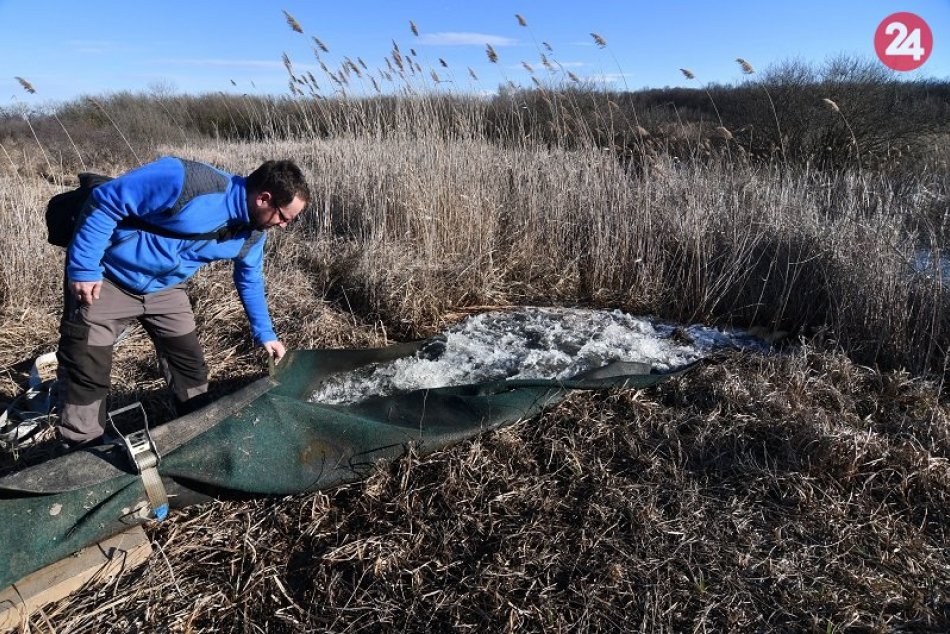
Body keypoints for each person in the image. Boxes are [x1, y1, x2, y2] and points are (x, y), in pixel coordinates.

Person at [56, 156, 311, 448]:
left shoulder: (253, 233)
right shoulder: (185, 180)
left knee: (189, 364)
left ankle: (195, 432)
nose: (282, 226)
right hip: (108, 278)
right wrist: (85, 267)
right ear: (264, 199)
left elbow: (250, 278)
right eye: (284, 218)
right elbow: (106, 200)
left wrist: (265, 333)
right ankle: (82, 450)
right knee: (86, 369)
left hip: (166, 289)